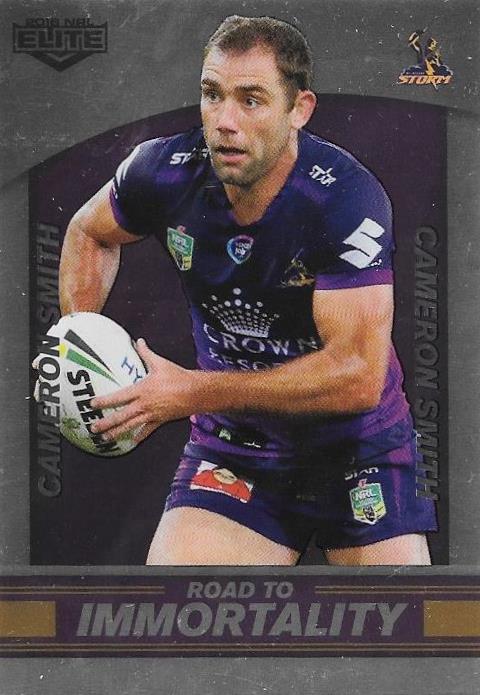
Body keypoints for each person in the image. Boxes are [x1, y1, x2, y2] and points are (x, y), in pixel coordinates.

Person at [58, 15, 437, 565]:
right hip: (236, 451)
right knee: (177, 610)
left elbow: (357, 377)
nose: (225, 122)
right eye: (213, 95)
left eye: (251, 100)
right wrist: (78, 338)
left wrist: (191, 392)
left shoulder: (344, 199)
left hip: (359, 450)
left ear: (299, 109)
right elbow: (89, 232)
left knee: (398, 619)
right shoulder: (163, 170)